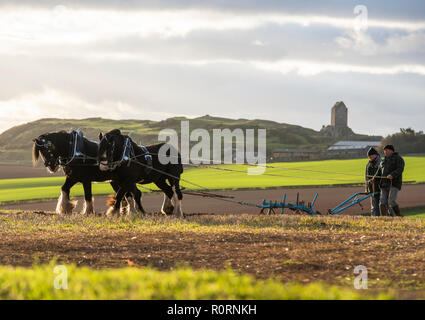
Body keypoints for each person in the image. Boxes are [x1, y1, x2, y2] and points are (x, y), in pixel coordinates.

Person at [379, 145, 405, 217]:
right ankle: (384, 218)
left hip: (394, 184)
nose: (385, 152)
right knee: (382, 202)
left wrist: (392, 175)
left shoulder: (399, 159)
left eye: (387, 150)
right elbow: (379, 172)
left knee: (391, 201)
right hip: (384, 184)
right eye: (384, 151)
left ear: (392, 151)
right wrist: (374, 179)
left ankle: (399, 216)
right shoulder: (383, 161)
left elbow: (400, 169)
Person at [365, 147, 381, 216]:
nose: (370, 157)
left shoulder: (381, 162)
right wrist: (366, 188)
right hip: (372, 188)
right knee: (374, 206)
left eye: (371, 156)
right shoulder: (368, 164)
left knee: (383, 205)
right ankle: (375, 219)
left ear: (375, 155)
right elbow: (366, 177)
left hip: (380, 188)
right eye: (369, 156)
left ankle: (388, 218)